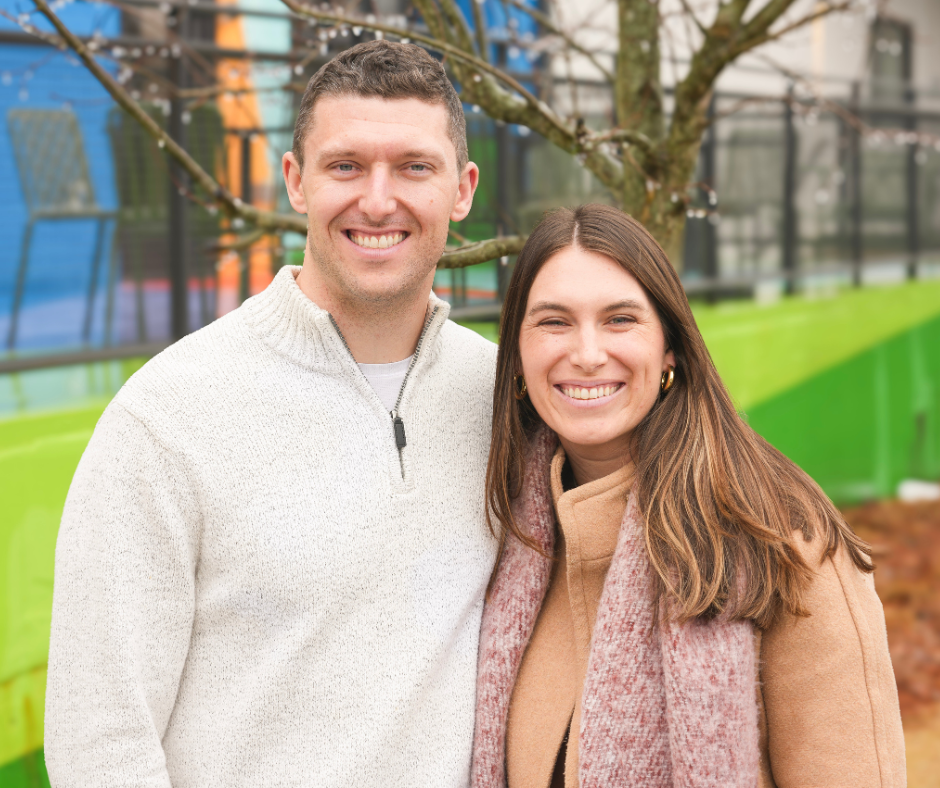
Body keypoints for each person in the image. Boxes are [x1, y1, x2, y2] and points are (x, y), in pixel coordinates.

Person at [45, 41, 499, 787]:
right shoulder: (167, 417)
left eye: (414, 167)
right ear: (295, 181)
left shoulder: (504, 395)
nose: (377, 200)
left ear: (462, 189)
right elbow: (100, 737)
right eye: (345, 166)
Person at [471, 204, 906, 788]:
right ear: (518, 357)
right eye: (554, 322)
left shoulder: (784, 541)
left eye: (620, 319)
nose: (588, 353)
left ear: (669, 349)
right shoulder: (501, 539)